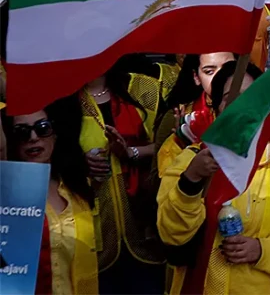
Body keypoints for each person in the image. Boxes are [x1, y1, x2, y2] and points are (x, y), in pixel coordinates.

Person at [157, 61, 270, 293]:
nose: (243, 105)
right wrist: (191, 181)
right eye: (231, 97)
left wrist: (262, 250)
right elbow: (172, 235)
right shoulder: (191, 161)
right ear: (217, 107)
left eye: (252, 96)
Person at [79, 55, 171, 292]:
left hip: (145, 222)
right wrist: (80, 163)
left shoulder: (143, 88)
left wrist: (131, 152)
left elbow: (168, 145)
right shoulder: (62, 100)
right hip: (94, 230)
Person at [4, 97, 100, 293]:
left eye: (42, 128)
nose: (33, 137)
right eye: (21, 132)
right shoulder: (5, 195)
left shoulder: (77, 189)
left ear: (55, 134)